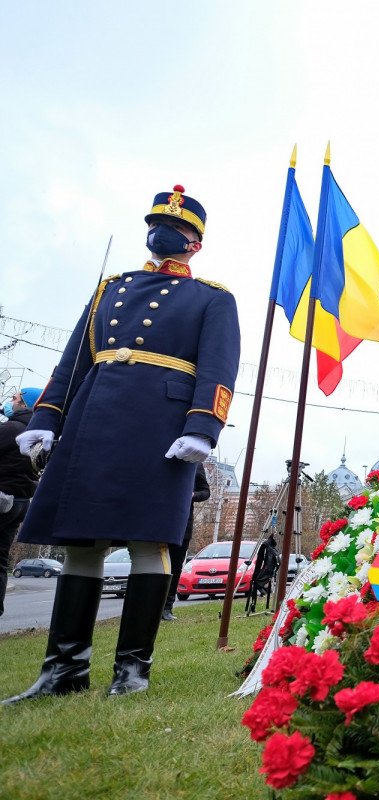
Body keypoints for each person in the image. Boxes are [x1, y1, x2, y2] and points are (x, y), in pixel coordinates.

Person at [4, 185, 240, 703]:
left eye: (177, 229)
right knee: (81, 543)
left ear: (194, 244)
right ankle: (64, 671)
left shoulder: (214, 299)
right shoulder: (111, 287)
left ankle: (131, 673)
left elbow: (219, 368)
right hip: (95, 420)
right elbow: (74, 360)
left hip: (161, 429)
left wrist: (203, 427)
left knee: (147, 541)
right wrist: (46, 416)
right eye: (157, 225)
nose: (164, 234)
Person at [0, 387, 44, 616]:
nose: (11, 401)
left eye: (15, 398)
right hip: (20, 502)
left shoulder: (12, 429)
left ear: (25, 403)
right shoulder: (37, 432)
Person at [162, 467, 211, 621]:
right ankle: (149, 605)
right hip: (158, 519)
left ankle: (167, 608)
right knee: (155, 563)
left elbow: (205, 491)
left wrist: (192, 495)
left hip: (182, 523)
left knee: (175, 566)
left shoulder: (195, 463)